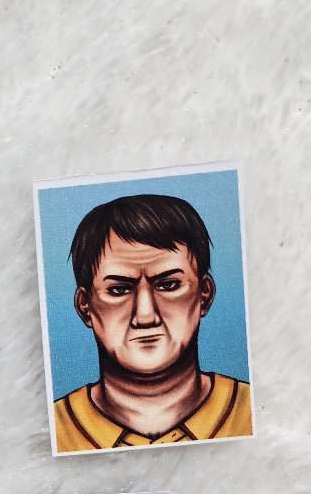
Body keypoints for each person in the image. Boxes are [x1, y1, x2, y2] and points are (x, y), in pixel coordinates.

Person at [53, 193, 251, 451]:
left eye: (169, 285)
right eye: (119, 290)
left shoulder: (251, 412)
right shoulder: (53, 429)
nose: (145, 316)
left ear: (205, 294)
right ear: (84, 305)